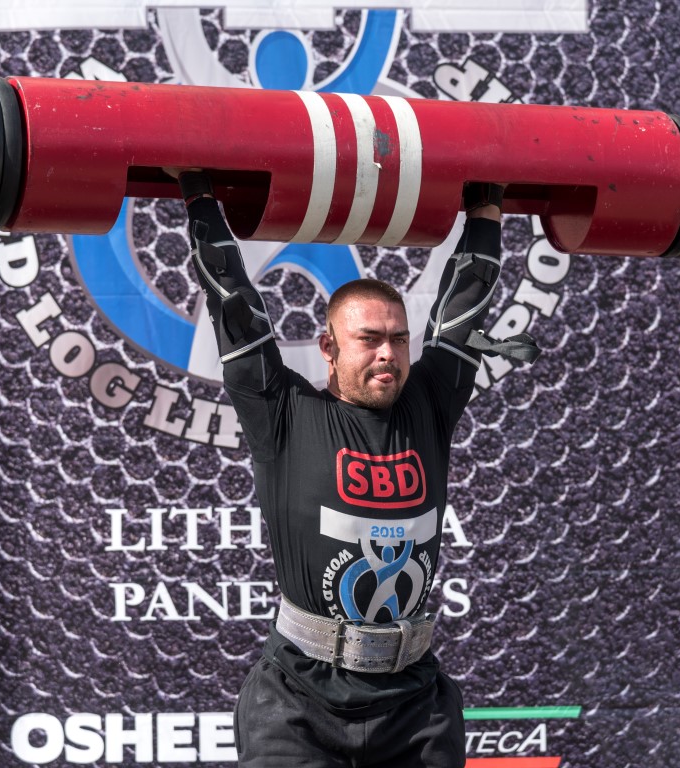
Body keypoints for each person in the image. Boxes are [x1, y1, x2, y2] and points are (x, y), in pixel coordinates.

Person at [168, 169, 536, 767]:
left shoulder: (430, 402)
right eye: (368, 339)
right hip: (299, 701)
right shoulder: (282, 409)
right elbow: (233, 303)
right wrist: (199, 195)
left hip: (414, 704)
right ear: (329, 348)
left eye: (398, 338)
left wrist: (488, 205)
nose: (388, 353)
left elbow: (465, 301)